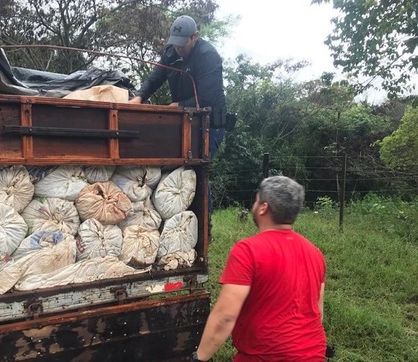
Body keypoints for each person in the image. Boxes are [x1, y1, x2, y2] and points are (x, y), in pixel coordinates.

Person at [192, 176, 327, 361]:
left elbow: (225, 316)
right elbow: (316, 312)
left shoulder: (248, 251)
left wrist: (199, 358)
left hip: (265, 356)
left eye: (256, 201)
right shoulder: (315, 253)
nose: (254, 206)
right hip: (314, 354)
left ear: (263, 207)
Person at [128, 15, 227, 160]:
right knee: (176, 166)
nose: (178, 48)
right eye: (175, 43)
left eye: (182, 43)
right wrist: (139, 97)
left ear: (195, 36)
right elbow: (154, 79)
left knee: (197, 170)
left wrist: (179, 105)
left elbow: (207, 98)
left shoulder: (208, 57)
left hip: (210, 124)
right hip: (185, 119)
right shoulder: (171, 54)